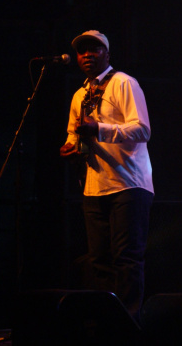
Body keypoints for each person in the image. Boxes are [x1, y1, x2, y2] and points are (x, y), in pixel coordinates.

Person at [59, 30, 154, 322]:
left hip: (128, 183)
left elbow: (142, 130)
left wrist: (99, 129)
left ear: (107, 55)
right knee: (98, 261)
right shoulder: (79, 95)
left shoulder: (124, 83)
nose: (88, 55)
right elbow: (73, 135)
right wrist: (70, 148)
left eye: (95, 49)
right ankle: (105, 324)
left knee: (126, 259)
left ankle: (128, 323)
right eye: (82, 51)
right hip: (94, 186)